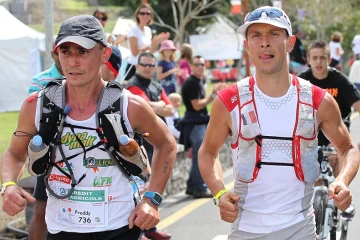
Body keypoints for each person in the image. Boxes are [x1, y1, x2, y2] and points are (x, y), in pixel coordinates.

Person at [0, 15, 177, 240]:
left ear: (104, 53)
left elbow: (166, 144)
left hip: (121, 227)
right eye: (66, 52)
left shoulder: (130, 105)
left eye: (83, 52)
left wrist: (152, 200)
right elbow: (15, 153)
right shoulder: (37, 105)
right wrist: (8, 185)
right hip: (63, 229)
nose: (73, 61)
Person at [198, 6, 360, 239]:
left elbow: (348, 148)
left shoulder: (318, 100)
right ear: (246, 45)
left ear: (290, 42)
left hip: (300, 229)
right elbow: (208, 153)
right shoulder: (228, 102)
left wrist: (343, 181)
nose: (264, 43)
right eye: (256, 35)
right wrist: (220, 193)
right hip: (246, 230)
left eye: (274, 34)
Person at [125, 52, 173, 240]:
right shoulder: (132, 85)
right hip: (140, 142)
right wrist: (159, 104)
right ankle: (140, 232)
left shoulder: (155, 84)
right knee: (140, 187)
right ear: (137, 65)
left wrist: (155, 105)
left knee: (153, 185)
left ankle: (150, 229)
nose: (147, 68)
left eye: (151, 65)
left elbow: (170, 108)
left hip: (158, 141)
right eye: (144, 64)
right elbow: (141, 107)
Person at [179, 55, 226, 199]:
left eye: (202, 64)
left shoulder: (199, 81)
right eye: (197, 64)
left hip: (198, 122)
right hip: (194, 123)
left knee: (199, 156)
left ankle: (192, 186)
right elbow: (197, 105)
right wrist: (212, 95)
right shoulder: (190, 82)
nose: (200, 67)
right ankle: (198, 187)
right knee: (201, 157)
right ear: (191, 66)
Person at [125, 3, 169, 81]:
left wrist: (156, 43)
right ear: (137, 15)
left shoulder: (148, 30)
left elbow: (150, 52)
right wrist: (151, 44)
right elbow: (135, 52)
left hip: (146, 67)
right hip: (134, 67)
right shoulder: (133, 29)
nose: (145, 15)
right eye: (142, 13)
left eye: (148, 13)